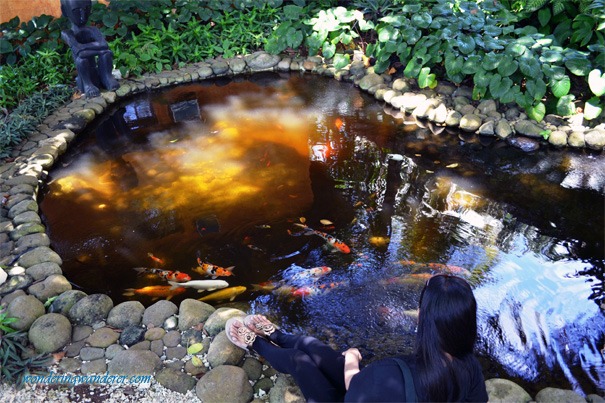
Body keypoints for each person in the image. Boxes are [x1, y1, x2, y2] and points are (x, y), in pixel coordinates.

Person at [226, 274, 489, 402]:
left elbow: (355, 388)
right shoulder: (472, 370)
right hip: (377, 393)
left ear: (422, 316)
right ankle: (279, 335)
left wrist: (351, 359)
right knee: (313, 348)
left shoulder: (393, 371)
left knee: (300, 360)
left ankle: (256, 343)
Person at [60, 0, 120, 98]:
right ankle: (88, 85)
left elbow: (104, 45)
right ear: (65, 11)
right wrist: (99, 49)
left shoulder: (93, 30)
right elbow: (78, 51)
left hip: (97, 67)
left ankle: (106, 78)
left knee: (107, 53)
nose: (82, 15)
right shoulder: (67, 33)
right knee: (81, 59)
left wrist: (86, 50)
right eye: (76, 11)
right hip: (84, 72)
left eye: (86, 9)